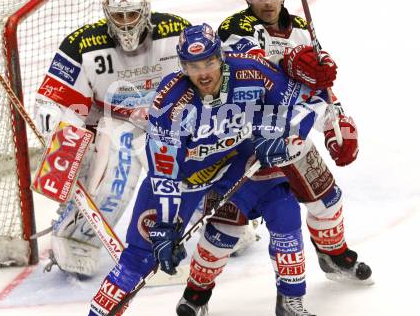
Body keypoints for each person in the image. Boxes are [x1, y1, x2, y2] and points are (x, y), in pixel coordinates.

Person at [88, 23, 335, 316]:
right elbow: (165, 172)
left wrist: (284, 137)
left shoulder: (252, 72)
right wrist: (166, 225)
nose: (203, 73)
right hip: (185, 180)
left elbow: (308, 99)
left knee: (284, 208)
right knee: (140, 258)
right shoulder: (170, 101)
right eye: (193, 65)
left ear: (221, 56)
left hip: (237, 163)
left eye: (209, 61)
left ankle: (291, 301)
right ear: (182, 66)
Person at [175, 0, 372, 316]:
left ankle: (333, 255)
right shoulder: (236, 26)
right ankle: (196, 295)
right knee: (225, 227)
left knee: (326, 201)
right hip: (237, 140)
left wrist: (336, 123)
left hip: (289, 133)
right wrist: (295, 65)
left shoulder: (298, 28)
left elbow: (319, 85)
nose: (267, 1)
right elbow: (252, 72)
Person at [34, 0, 191, 277]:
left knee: (193, 171)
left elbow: (206, 70)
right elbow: (53, 100)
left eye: (131, 15)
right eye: (118, 16)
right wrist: (64, 136)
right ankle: (75, 237)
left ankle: (221, 219)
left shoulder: (176, 30)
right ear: (108, 15)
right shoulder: (83, 44)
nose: (126, 23)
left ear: (145, 12)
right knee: (114, 185)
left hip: (169, 118)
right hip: (115, 123)